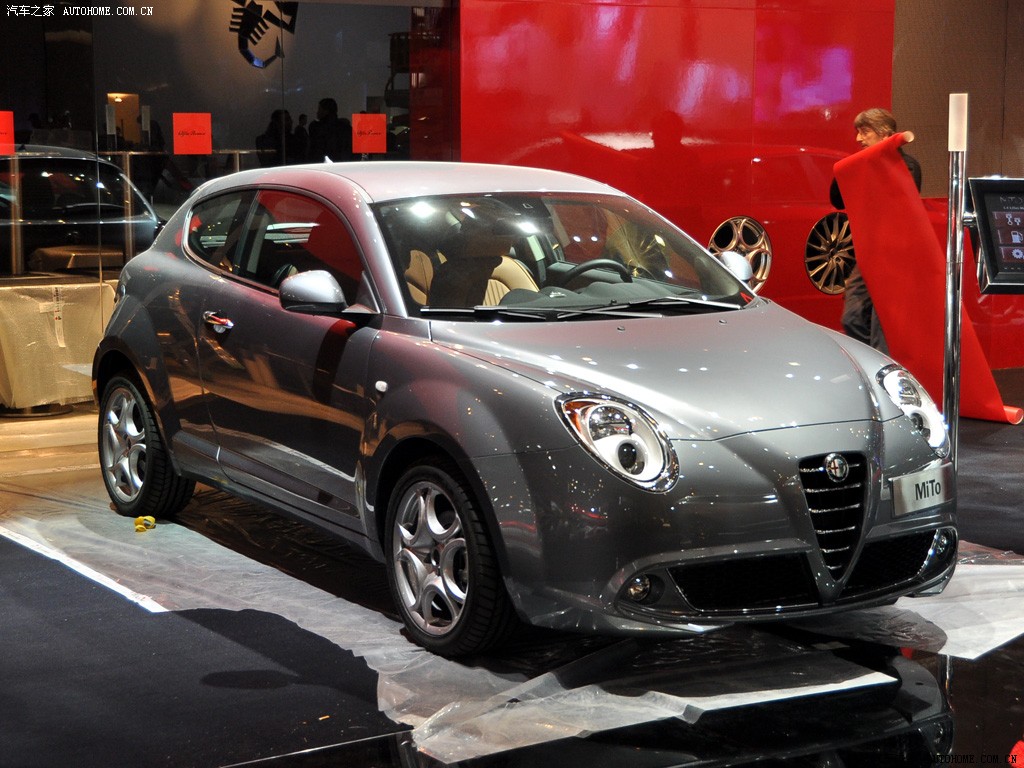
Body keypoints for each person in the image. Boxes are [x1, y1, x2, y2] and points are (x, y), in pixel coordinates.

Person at [830, 108, 921, 353]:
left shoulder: (907, 165)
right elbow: (837, 199)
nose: (858, 138)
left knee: (884, 327)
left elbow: (897, 206)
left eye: (865, 132)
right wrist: (848, 169)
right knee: (852, 317)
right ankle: (870, 361)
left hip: (894, 258)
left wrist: (869, 168)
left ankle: (883, 369)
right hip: (869, 254)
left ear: (885, 134)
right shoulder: (861, 163)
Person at [307, 97, 353, 162]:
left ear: (326, 111)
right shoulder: (346, 128)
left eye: (319, 109)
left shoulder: (317, 128)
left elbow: (314, 152)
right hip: (343, 165)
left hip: (322, 165)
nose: (317, 112)